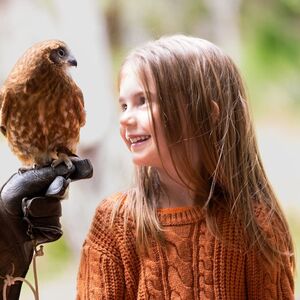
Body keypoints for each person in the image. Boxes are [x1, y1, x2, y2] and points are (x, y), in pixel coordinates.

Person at [76, 35, 294, 299]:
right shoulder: (115, 223)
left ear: (207, 114)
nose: (126, 118)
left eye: (143, 101)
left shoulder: (255, 225)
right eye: (123, 105)